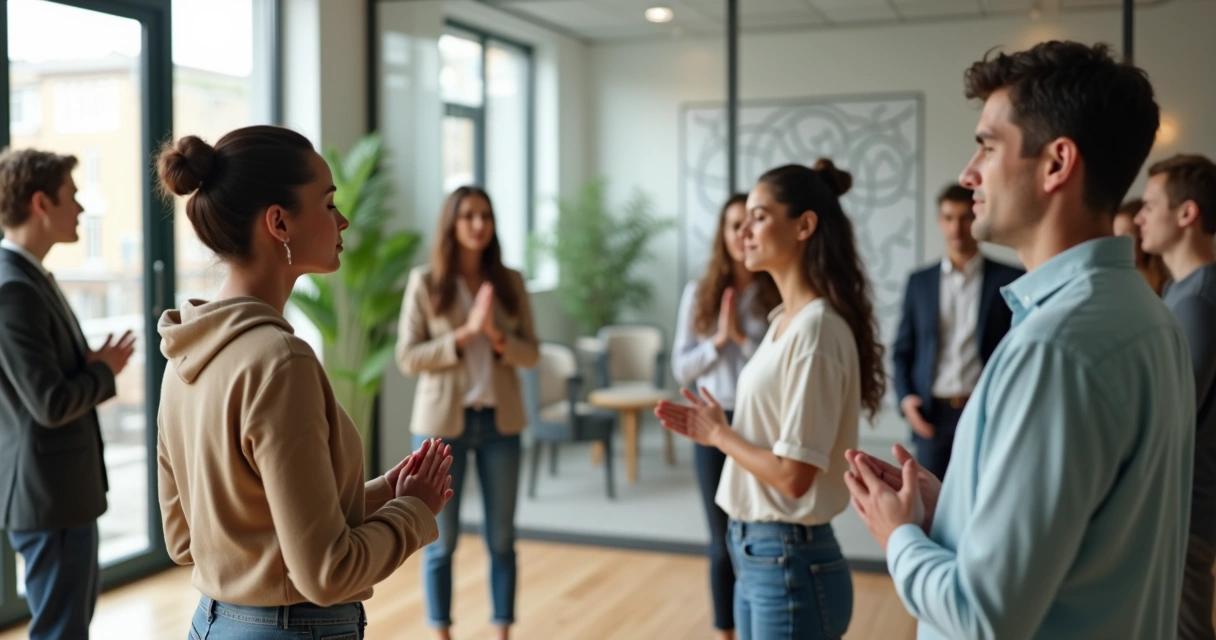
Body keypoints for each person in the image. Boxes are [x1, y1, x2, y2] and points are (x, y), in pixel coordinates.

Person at [843, 41, 1193, 640]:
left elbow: (984, 616)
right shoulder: (1145, 315)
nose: (967, 173)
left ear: (1057, 164)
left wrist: (896, 534)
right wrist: (950, 507)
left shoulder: (1055, 349)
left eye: (986, 144)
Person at [154, 126, 452, 639]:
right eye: (329, 202)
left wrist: (385, 493)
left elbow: (188, 540)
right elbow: (327, 573)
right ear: (279, 223)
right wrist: (414, 511)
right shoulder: (280, 361)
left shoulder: (185, 349)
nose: (344, 219)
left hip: (210, 626)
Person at [657, 160, 887, 640]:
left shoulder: (817, 328)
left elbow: (793, 475)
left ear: (804, 225)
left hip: (787, 557)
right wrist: (720, 427)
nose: (744, 229)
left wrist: (718, 434)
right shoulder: (785, 319)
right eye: (742, 219)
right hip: (756, 552)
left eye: (759, 216)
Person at [0, 148, 135, 640]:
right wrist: (105, 371)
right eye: (71, 197)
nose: (79, 208)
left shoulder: (30, 277)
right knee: (62, 630)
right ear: (41, 203)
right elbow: (50, 403)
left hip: (59, 493)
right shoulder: (13, 287)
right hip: (48, 496)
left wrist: (90, 363)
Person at [396, 186, 539, 640]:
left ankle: (502, 632)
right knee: (440, 541)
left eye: (486, 216)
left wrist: (496, 338)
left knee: (501, 538)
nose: (479, 224)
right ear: (452, 225)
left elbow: (532, 354)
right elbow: (408, 357)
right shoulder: (426, 282)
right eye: (469, 216)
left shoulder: (510, 282)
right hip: (441, 426)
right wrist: (464, 335)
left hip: (500, 424)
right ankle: (442, 633)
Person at [671, 193, 780, 640]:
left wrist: (741, 338)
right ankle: (726, 632)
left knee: (755, 534)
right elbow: (681, 367)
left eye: (749, 224)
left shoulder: (775, 289)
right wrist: (718, 341)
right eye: (733, 225)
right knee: (720, 541)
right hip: (710, 423)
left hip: (759, 423)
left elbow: (778, 371)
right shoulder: (699, 292)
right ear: (722, 233)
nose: (741, 234)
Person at [1133, 153, 1216, 640]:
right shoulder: (1183, 292)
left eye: (1149, 205)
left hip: (1187, 505)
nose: (1139, 217)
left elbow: (1171, 411)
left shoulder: (1200, 299)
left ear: (1187, 214)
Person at [893, 183, 1021, 479]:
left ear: (977, 218)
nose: (957, 227)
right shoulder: (919, 281)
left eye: (965, 217)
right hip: (931, 415)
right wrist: (906, 400)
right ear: (940, 221)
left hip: (986, 410)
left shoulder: (1010, 279)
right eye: (949, 218)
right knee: (928, 510)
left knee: (985, 503)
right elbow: (902, 350)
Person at [1113, 197, 1169, 294]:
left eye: (1125, 236)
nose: (1117, 244)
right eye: (1114, 236)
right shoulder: (1114, 282)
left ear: (1143, 235)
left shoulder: (1166, 284)